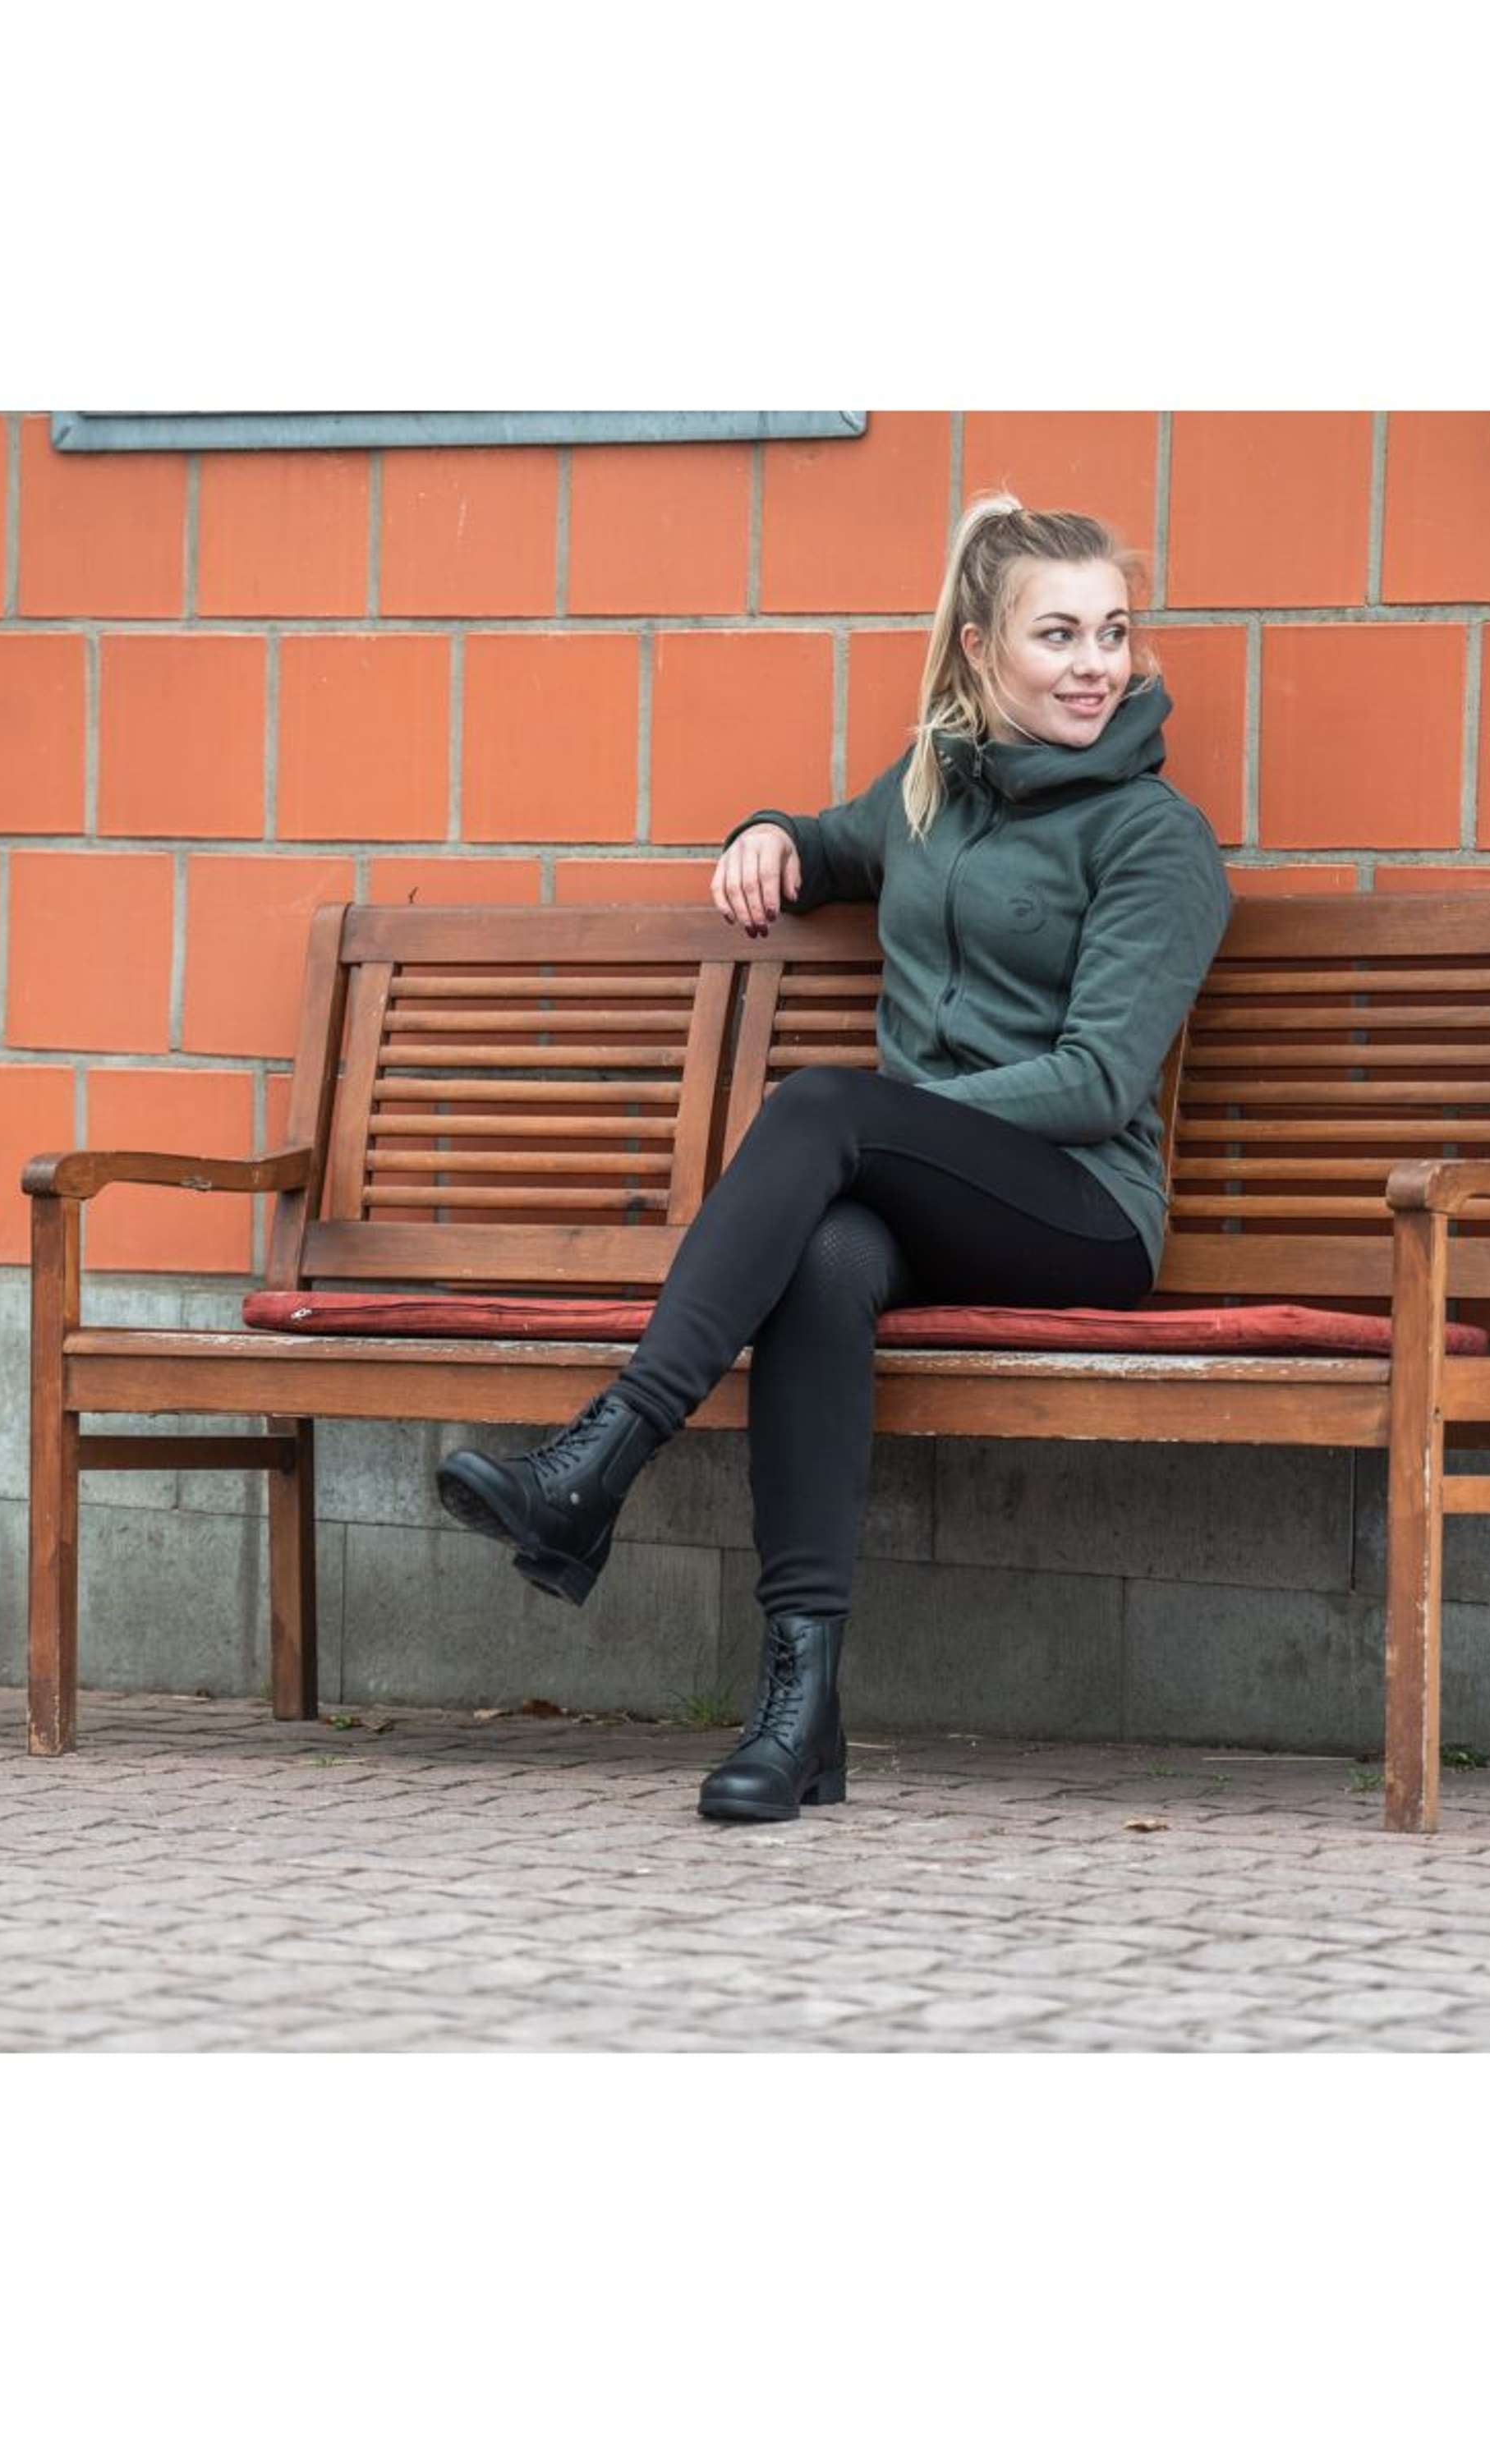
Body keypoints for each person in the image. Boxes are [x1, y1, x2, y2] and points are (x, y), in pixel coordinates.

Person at [437, 497, 1232, 1823]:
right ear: (979, 649)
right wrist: (767, 836)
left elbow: (1100, 1080)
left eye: (1113, 632)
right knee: (825, 1256)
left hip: (1081, 1213)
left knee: (825, 1111)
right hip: (919, 1201)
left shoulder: (1155, 837)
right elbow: (824, 847)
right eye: (1057, 635)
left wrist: (896, 1123)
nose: (1095, 665)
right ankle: (799, 1715)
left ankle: (597, 1464)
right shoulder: (928, 792)